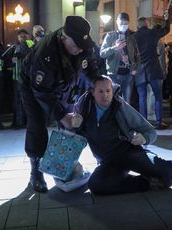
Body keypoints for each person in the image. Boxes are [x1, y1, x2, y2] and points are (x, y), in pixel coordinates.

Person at [69, 75, 172, 195]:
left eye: (108, 91)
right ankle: (147, 183)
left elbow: (150, 130)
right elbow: (72, 135)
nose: (105, 95)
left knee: (162, 165)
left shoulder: (119, 106)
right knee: (96, 185)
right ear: (92, 92)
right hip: (108, 161)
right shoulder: (83, 108)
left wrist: (143, 138)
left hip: (129, 152)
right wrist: (71, 123)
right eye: (101, 91)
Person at [20, 16, 99, 192]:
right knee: (37, 124)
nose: (80, 49)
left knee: (69, 126)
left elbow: (90, 64)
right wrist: (61, 115)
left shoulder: (81, 44)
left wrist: (97, 82)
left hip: (63, 83)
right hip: (34, 86)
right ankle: (36, 171)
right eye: (76, 45)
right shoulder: (46, 53)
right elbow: (41, 92)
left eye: (82, 45)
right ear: (64, 37)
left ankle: (63, 166)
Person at [133, 13, 170, 129]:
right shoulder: (152, 33)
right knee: (158, 97)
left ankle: (144, 124)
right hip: (153, 69)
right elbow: (166, 29)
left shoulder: (133, 37)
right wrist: (166, 19)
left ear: (138, 26)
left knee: (142, 98)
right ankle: (159, 122)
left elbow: (131, 55)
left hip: (139, 71)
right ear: (146, 24)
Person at [100, 12, 139, 103]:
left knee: (126, 102)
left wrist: (135, 68)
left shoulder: (132, 37)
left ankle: (124, 117)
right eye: (121, 23)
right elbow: (102, 53)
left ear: (128, 23)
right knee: (113, 100)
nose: (123, 26)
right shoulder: (110, 36)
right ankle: (114, 117)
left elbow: (138, 54)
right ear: (117, 22)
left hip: (128, 73)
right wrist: (114, 48)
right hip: (114, 73)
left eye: (125, 24)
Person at [9, 29, 34, 129]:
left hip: (29, 78)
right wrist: (11, 57)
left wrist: (19, 53)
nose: (22, 38)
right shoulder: (14, 46)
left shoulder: (31, 44)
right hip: (17, 77)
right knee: (17, 101)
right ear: (17, 37)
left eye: (24, 36)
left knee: (28, 101)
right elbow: (8, 58)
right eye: (20, 36)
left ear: (28, 36)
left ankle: (28, 122)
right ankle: (17, 122)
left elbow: (31, 54)